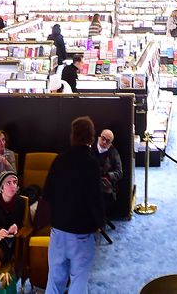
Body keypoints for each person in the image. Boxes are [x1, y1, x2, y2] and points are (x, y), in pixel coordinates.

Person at [43, 115, 105, 294]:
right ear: (91, 136)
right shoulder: (91, 163)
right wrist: (99, 223)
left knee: (54, 280)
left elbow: (47, 194)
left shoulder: (59, 160)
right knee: (79, 280)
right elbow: (95, 198)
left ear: (73, 135)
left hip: (58, 232)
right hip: (81, 234)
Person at [95, 128, 123, 223]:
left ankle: (100, 222)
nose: (104, 142)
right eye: (103, 138)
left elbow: (119, 173)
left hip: (105, 185)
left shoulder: (113, 152)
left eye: (107, 141)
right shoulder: (90, 149)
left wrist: (108, 176)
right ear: (99, 137)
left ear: (110, 143)